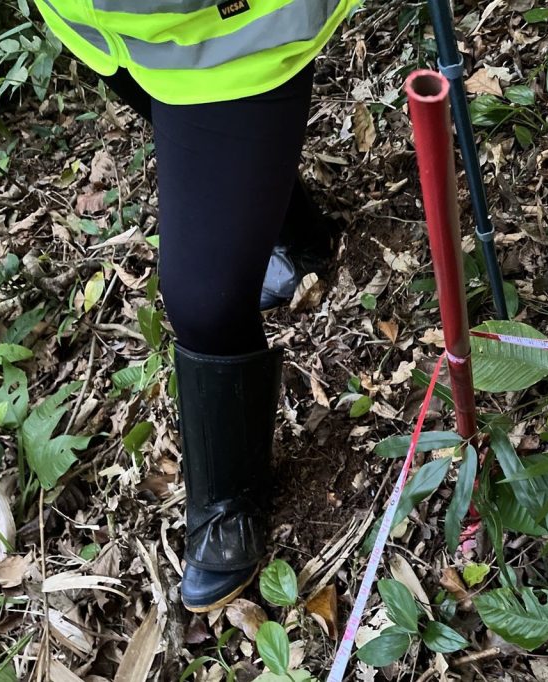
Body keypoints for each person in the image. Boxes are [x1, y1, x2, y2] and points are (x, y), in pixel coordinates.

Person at [31, 0, 360, 612]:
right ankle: (304, 238)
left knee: (205, 303)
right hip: (115, 31)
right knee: (221, 159)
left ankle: (230, 503)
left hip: (234, 27)